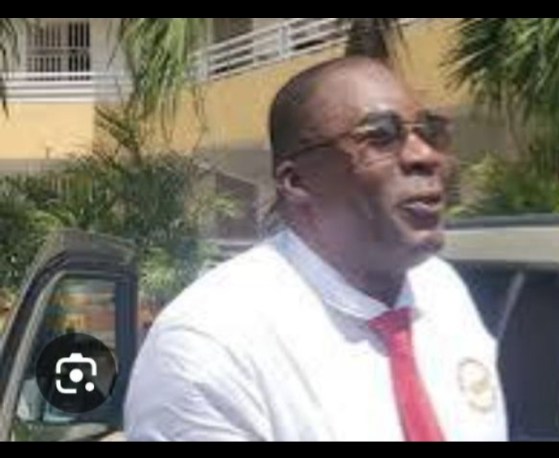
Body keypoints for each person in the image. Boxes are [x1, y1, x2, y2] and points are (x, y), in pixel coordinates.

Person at [124, 56, 507, 442]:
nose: (425, 156)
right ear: (297, 181)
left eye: (429, 132)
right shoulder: (209, 347)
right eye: (380, 137)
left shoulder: (442, 289)